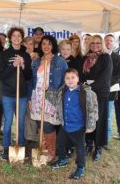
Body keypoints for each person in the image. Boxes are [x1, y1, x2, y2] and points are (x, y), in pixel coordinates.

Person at [51, 68, 98, 180]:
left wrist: (91, 125)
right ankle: (63, 160)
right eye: (67, 78)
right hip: (65, 125)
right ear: (64, 80)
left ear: (78, 79)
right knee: (60, 143)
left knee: (80, 148)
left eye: (73, 77)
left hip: (78, 126)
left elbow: (93, 109)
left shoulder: (87, 93)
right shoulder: (62, 91)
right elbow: (56, 103)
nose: (70, 80)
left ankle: (81, 168)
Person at [30, 35, 68, 163]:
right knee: (39, 123)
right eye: (44, 44)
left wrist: (59, 96)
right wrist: (31, 99)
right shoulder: (36, 61)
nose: (46, 46)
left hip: (51, 97)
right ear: (41, 46)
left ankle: (51, 152)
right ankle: (43, 148)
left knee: (48, 125)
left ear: (53, 46)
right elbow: (32, 81)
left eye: (49, 44)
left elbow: (65, 81)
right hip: (37, 96)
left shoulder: (60, 61)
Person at [0, 27, 32, 161]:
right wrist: (13, 66)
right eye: (14, 36)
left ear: (21, 38)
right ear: (10, 38)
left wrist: (23, 66)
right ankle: (6, 149)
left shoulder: (26, 55)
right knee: (8, 123)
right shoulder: (4, 54)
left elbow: (29, 76)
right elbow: (1, 75)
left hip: (22, 94)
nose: (16, 38)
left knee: (21, 122)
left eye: (19, 36)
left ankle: (20, 146)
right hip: (8, 94)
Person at [81, 35, 112, 161]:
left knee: (99, 119)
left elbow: (105, 77)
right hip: (87, 92)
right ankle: (89, 143)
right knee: (88, 118)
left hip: (100, 93)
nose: (95, 45)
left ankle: (98, 146)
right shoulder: (85, 57)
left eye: (98, 43)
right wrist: (84, 85)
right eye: (93, 43)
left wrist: (90, 87)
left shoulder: (106, 57)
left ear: (102, 44)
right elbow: (81, 74)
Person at [104, 34, 120, 145]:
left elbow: (119, 76)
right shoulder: (99, 56)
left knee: (107, 117)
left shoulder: (119, 58)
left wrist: (105, 85)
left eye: (110, 41)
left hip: (111, 92)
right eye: (106, 40)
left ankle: (105, 140)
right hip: (98, 92)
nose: (108, 43)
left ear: (114, 43)